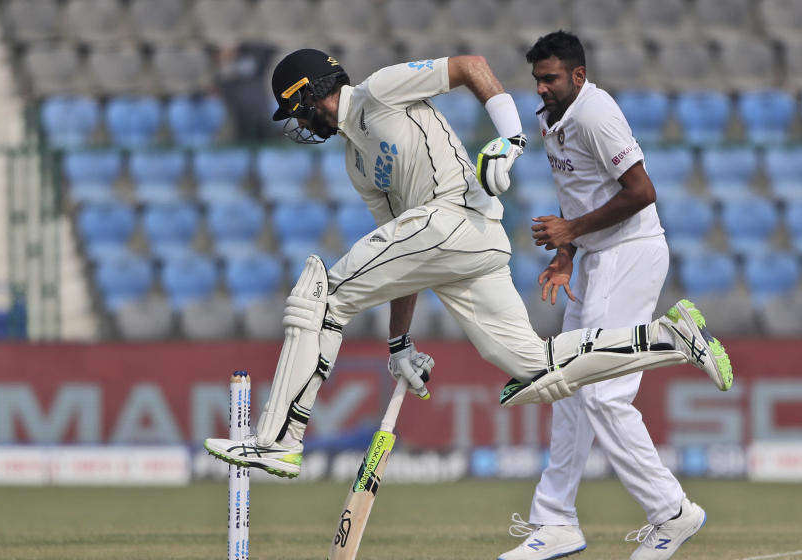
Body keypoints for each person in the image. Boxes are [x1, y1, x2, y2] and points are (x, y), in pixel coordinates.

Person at [203, 49, 732, 497]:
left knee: (322, 292)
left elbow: (470, 67)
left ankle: (280, 439)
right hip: (453, 242)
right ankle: (670, 338)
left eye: (296, 109)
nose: (297, 123)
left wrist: (509, 139)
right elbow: (398, 265)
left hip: (457, 216)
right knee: (535, 368)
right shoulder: (358, 164)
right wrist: (398, 343)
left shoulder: (379, 90)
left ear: (313, 91)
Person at [496, 31, 714, 560]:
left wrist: (571, 229)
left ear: (578, 75)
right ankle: (555, 521)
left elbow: (641, 191)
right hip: (596, 260)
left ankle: (671, 510)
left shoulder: (595, 114)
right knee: (568, 385)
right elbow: (582, 195)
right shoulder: (552, 121)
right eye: (537, 79)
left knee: (602, 395)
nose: (541, 88)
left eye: (550, 78)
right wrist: (567, 251)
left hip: (631, 254)